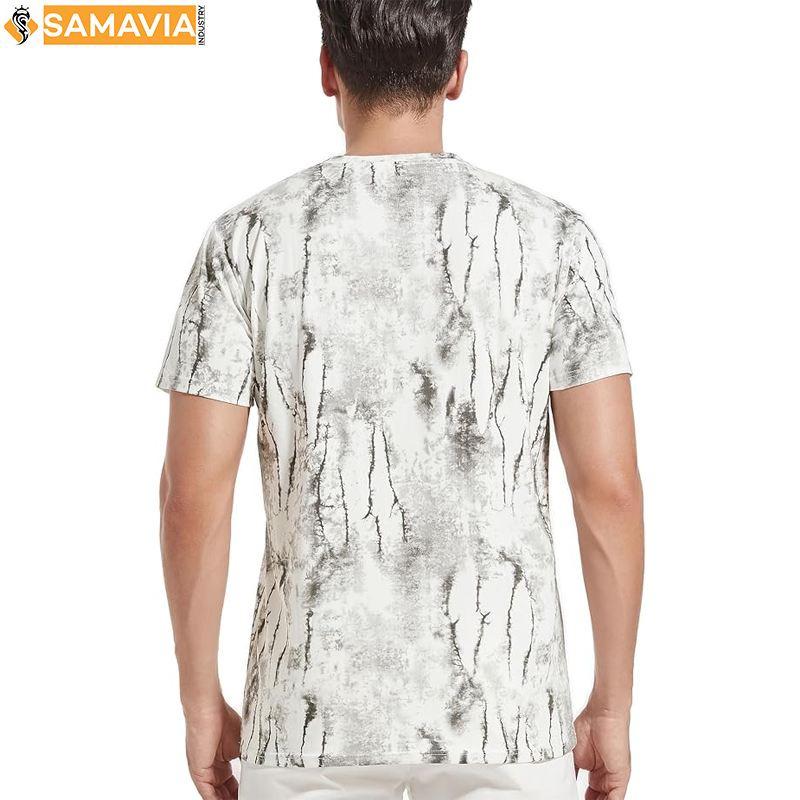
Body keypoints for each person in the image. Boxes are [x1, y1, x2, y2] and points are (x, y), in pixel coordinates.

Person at [155, 1, 645, 799]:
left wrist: (200, 698)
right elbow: (610, 491)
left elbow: (193, 496)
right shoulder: (554, 238)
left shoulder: (246, 241)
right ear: (457, 74)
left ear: (327, 70)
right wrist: (613, 707)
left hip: (308, 715)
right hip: (508, 713)